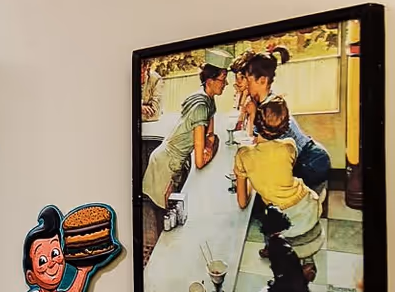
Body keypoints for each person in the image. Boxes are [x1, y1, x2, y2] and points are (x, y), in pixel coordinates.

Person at [138, 48, 232, 264]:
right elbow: (202, 156)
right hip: (165, 166)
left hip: (173, 163)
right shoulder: (200, 105)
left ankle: (166, 260)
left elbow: (210, 135)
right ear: (210, 80)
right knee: (167, 226)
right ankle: (158, 264)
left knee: (172, 221)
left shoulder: (206, 98)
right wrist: (211, 145)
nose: (225, 84)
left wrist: (211, 143)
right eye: (222, 79)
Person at [233, 47, 331, 193]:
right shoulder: (262, 101)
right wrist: (243, 98)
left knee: (265, 188)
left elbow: (254, 144)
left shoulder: (270, 108)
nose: (245, 84)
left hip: (311, 162)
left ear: (262, 80)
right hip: (305, 159)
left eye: (248, 80)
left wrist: (251, 114)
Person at [232, 96, 323, 243]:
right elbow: (283, 170)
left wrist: (251, 178)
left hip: (281, 220)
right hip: (308, 210)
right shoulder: (289, 146)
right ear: (283, 127)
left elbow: (242, 202)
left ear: (257, 122)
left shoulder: (243, 155)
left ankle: (275, 246)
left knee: (267, 218)